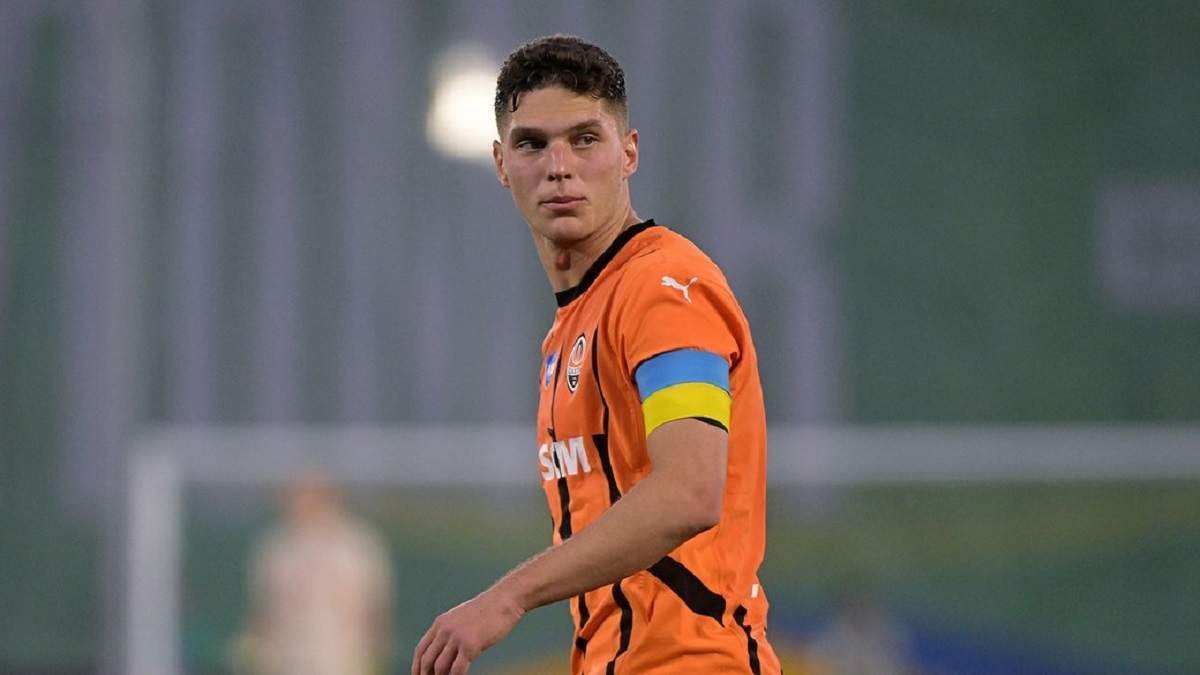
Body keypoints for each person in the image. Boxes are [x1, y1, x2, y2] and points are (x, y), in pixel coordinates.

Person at [412, 35, 781, 675]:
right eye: (532, 144)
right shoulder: (574, 324)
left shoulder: (663, 289)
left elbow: (691, 492)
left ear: (628, 152)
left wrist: (508, 596)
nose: (560, 166)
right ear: (501, 163)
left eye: (585, 139)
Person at [234, 473, 393, 675]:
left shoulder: (358, 546)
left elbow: (375, 612)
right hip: (288, 661)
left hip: (343, 659)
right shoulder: (275, 548)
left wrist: (374, 657)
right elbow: (262, 612)